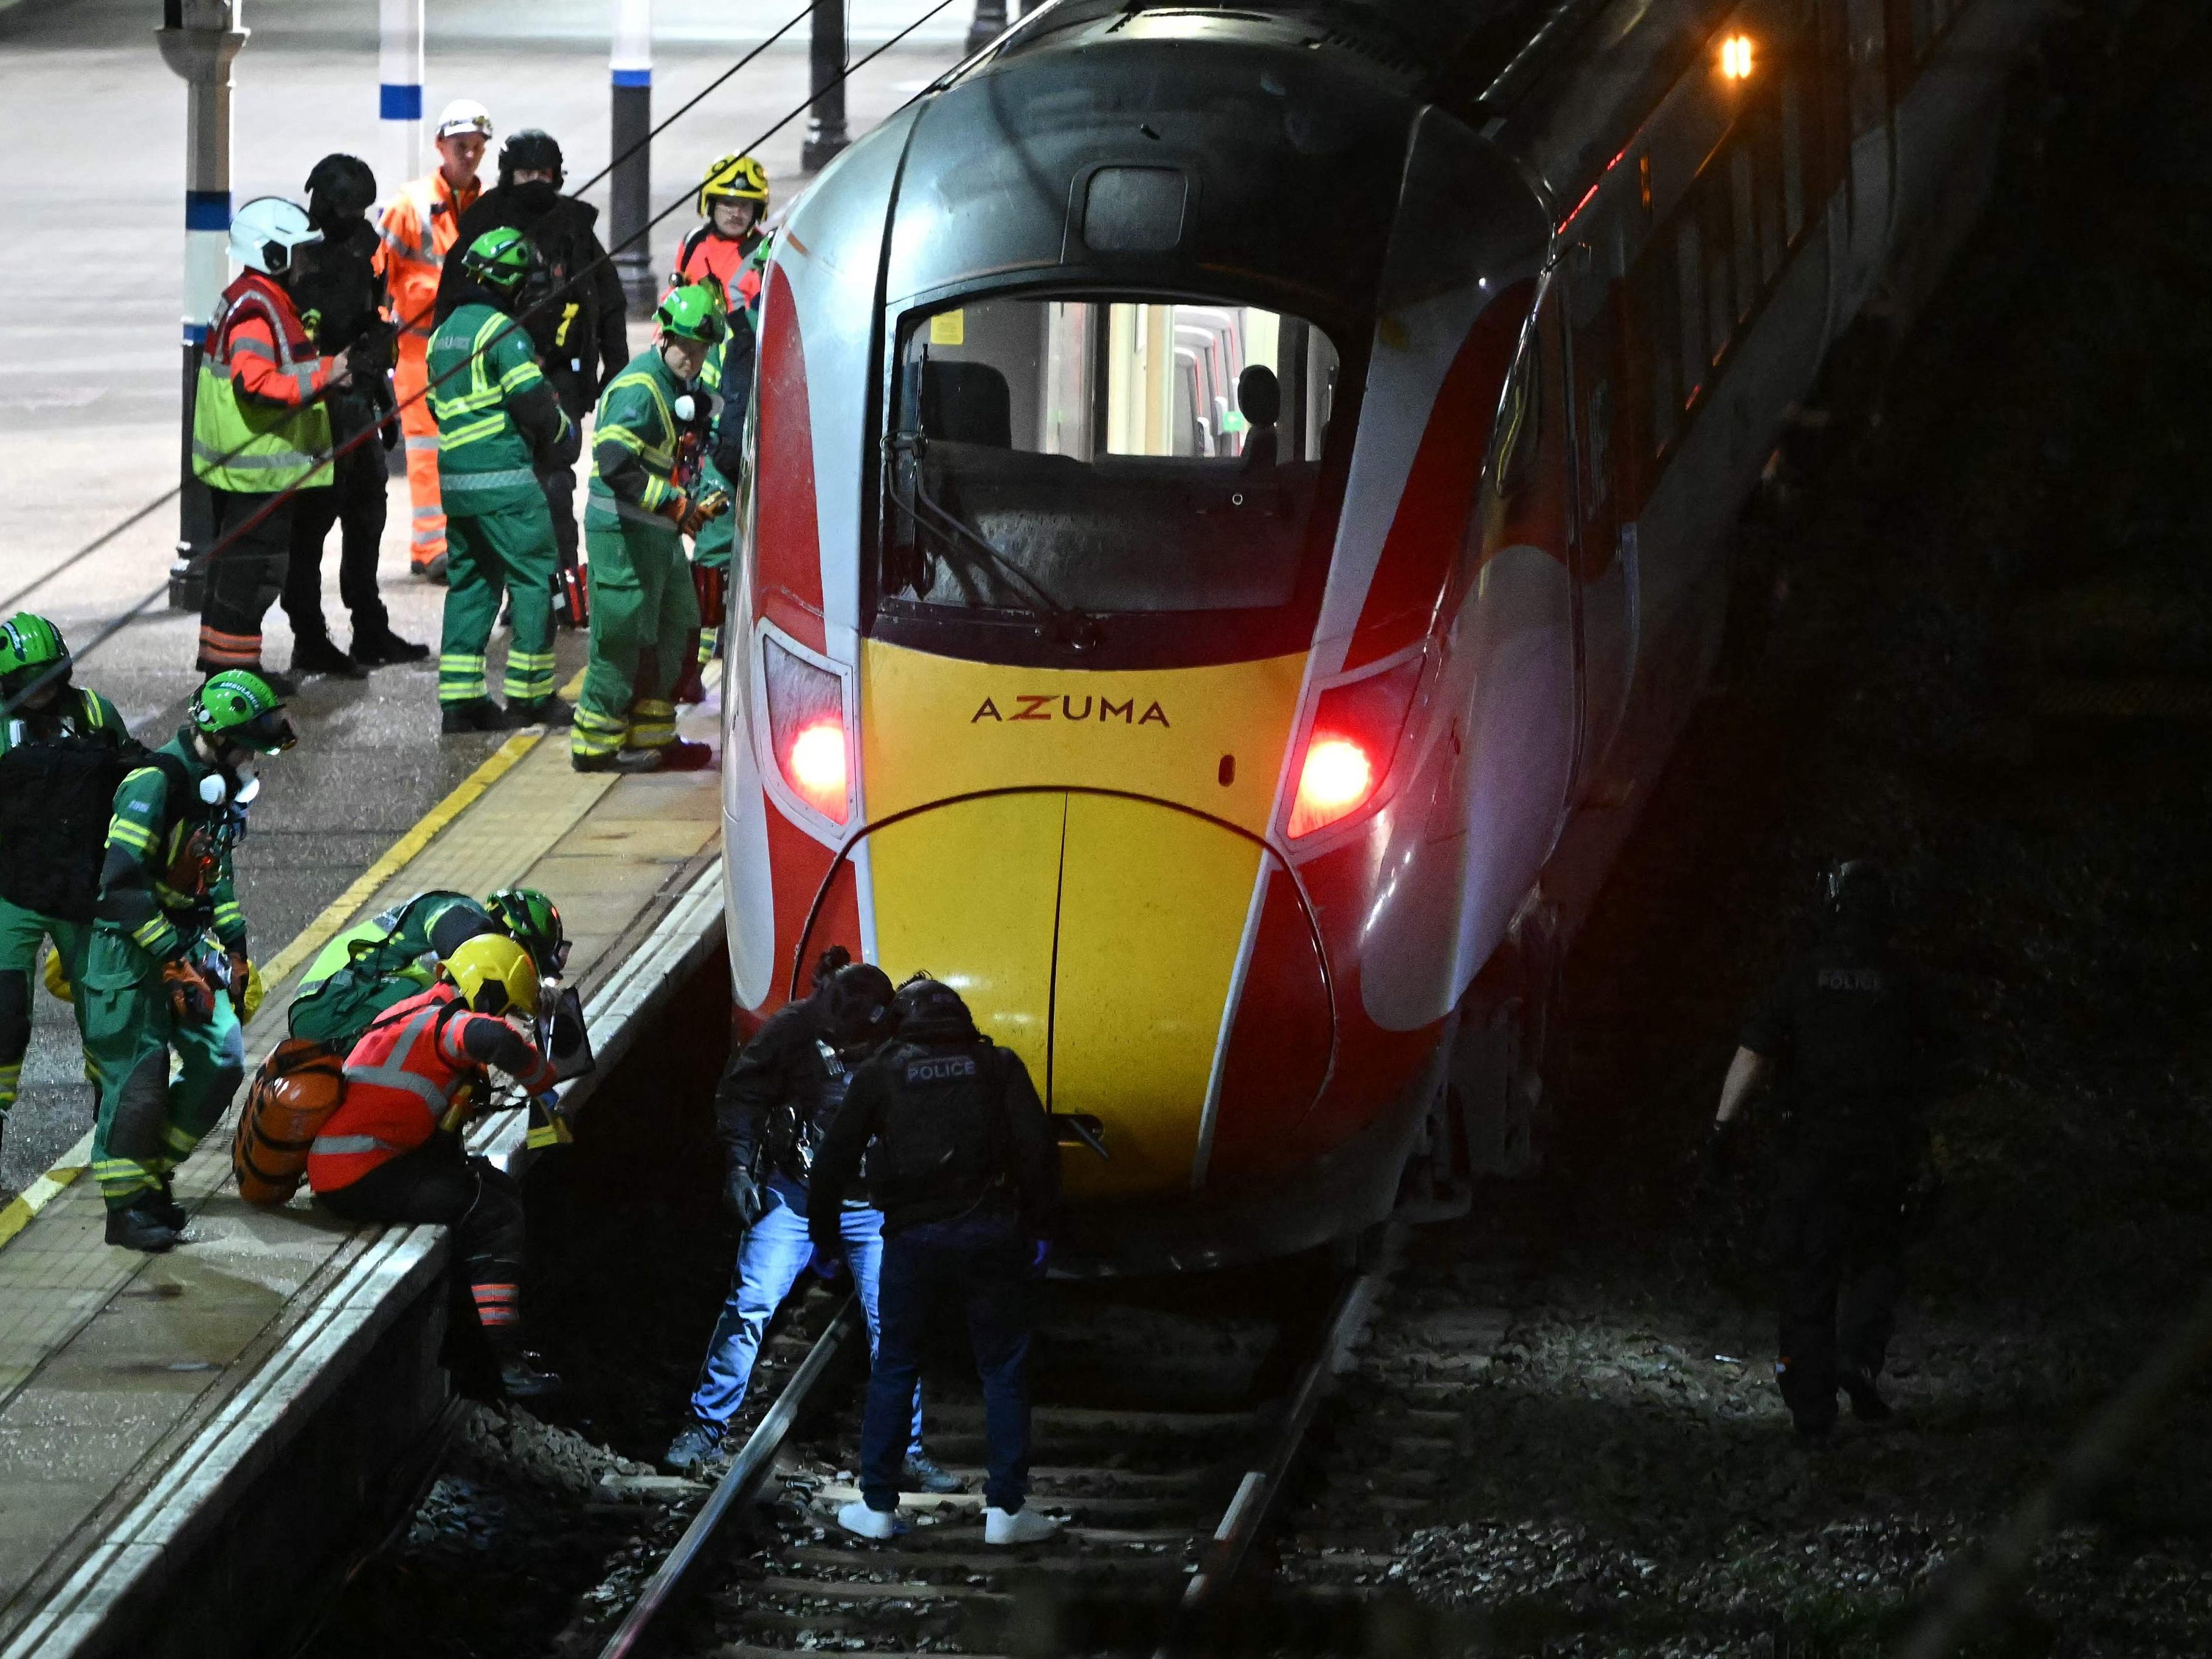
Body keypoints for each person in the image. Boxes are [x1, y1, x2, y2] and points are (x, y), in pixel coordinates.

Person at [663, 949, 959, 1494]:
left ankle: (904, 1450)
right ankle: (705, 1427)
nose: (835, 1043)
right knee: (750, 1302)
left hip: (873, 1206)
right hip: (795, 1193)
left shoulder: (907, 1045)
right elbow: (743, 1093)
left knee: (891, 1326)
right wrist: (737, 1165)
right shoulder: (796, 1027)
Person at [811, 975, 1062, 1545]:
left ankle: (876, 1506)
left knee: (896, 1363)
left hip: (912, 1240)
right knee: (1001, 1367)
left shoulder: (882, 1072)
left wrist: (825, 1239)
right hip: (991, 1234)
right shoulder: (997, 1064)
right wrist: (1042, 1227)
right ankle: (1004, 1513)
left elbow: (833, 1161)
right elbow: (1037, 1151)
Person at [1712, 858, 1938, 1446]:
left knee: (1809, 1270)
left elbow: (1754, 1052)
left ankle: (1812, 1410)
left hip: (1814, 1144)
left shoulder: (1802, 975)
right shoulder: (1906, 979)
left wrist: (1722, 1127)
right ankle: (1857, 1358)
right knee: (1877, 1254)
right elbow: (1935, 1069)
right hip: (1884, 1144)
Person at [83, 671, 295, 1252]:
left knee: (222, 1062)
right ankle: (126, 1209)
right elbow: (121, 887)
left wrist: (237, 946)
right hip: (130, 956)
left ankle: (151, 1174)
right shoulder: (155, 784)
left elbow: (214, 874)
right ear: (218, 737)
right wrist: (173, 957)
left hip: (186, 948)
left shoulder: (214, 790)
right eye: (248, 746)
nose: (253, 760)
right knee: (140, 1081)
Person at [309, 933, 562, 1398]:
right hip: (360, 1172)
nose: (505, 1017)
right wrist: (542, 1081)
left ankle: (482, 1347)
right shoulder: (448, 1025)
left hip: (355, 1163)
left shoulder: (413, 1009)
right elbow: (489, 1037)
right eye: (506, 1007)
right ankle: (504, 1361)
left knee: (494, 1185)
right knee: (493, 1211)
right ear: (488, 991)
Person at [443, 128, 632, 590]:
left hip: (560, 380)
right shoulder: (481, 224)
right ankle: (511, 586)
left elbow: (607, 299)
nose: (535, 183)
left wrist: (615, 368)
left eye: (543, 174)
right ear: (509, 175)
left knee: (554, 485)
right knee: (505, 487)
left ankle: (562, 586)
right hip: (493, 381)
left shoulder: (575, 228)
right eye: (526, 173)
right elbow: (450, 307)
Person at [191, 198, 364, 693]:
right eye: (298, 254)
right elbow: (257, 381)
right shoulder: (257, 309)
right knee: (254, 571)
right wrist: (329, 374)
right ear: (272, 254)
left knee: (236, 570)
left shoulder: (255, 298)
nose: (306, 264)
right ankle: (234, 676)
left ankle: (222, 663)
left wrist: (332, 369)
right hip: (256, 472)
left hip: (246, 470)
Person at [0, 615, 146, 1164]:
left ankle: (115, 1139)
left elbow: (136, 782)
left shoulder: (94, 713)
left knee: (109, 1018)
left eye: (52, 674)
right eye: (31, 679)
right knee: (3, 1017)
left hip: (82, 893)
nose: (44, 688)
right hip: (11, 890)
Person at [571, 285, 728, 773]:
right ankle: (595, 745)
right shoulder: (640, 388)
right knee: (623, 636)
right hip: (623, 533)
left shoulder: (680, 387)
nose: (693, 359)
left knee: (678, 628)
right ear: (665, 338)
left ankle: (654, 735)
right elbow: (615, 463)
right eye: (686, 347)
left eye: (701, 350)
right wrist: (676, 503)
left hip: (657, 532)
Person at [285, 153, 428, 677]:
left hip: (359, 403)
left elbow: (371, 309)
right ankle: (309, 637)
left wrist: (381, 384)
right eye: (347, 206)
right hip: (317, 411)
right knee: (311, 529)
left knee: (367, 518)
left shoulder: (366, 246)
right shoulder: (294, 251)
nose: (356, 218)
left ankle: (368, 627)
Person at [429, 226, 573, 733]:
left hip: (457, 482)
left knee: (471, 582)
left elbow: (434, 404)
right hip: (505, 479)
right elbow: (532, 401)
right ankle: (531, 696)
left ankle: (462, 703)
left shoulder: (443, 333)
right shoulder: (503, 333)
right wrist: (563, 431)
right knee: (534, 578)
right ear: (512, 281)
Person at [668, 155, 771, 703]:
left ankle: (722, 639)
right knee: (707, 532)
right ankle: (704, 641)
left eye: (745, 203)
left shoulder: (767, 251)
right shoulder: (693, 246)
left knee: (735, 533)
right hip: (701, 411)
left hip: (741, 410)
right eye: (726, 202)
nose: (735, 211)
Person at [377, 97, 493, 583]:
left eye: (476, 147)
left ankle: (452, 543)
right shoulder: (411, 206)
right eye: (460, 146)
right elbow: (378, 275)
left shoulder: (486, 207)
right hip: (418, 353)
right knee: (427, 452)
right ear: (440, 145)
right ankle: (431, 547)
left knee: (461, 447)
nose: (468, 155)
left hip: (468, 354)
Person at [287, 885, 569, 1050]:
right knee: (448, 1010)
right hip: (335, 1002)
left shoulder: (476, 961)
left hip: (353, 1008)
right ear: (512, 936)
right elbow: (463, 936)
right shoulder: (457, 910)